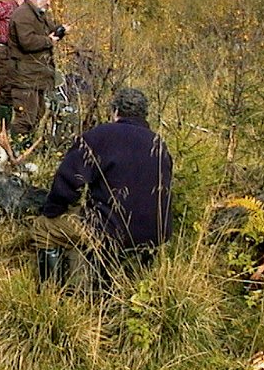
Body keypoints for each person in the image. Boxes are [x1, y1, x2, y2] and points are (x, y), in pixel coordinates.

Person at [32, 88, 173, 289]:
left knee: (44, 227)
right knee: (85, 226)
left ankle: (50, 292)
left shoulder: (99, 136)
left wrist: (52, 211)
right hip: (157, 234)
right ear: (144, 115)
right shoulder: (158, 143)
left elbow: (67, 183)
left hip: (111, 231)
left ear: (115, 111)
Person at [7, 0, 69, 145]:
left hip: (35, 76)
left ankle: (24, 148)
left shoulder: (37, 15)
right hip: (24, 77)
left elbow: (49, 31)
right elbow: (27, 42)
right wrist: (49, 41)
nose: (49, 3)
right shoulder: (22, 15)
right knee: (25, 118)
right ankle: (14, 151)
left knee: (37, 113)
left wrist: (60, 31)